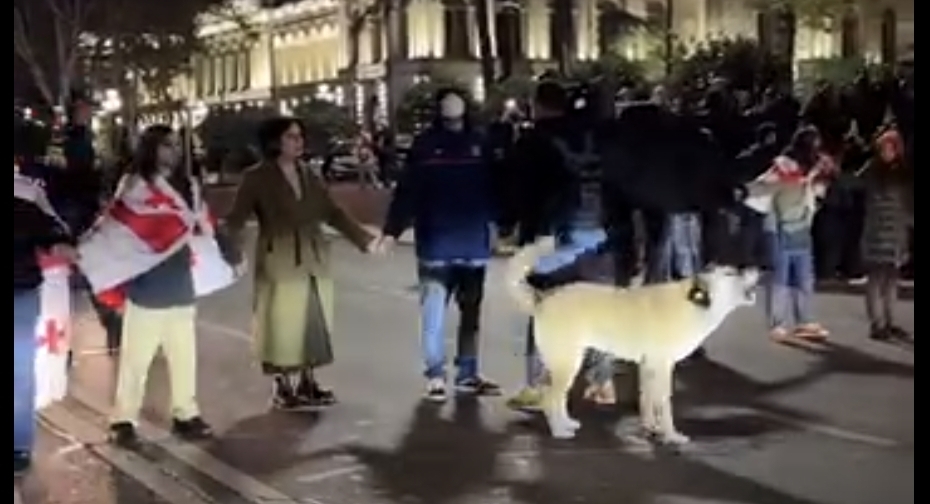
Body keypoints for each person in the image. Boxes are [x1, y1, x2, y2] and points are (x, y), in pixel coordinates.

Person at [224, 117, 377, 410]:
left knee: (313, 321)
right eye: (291, 137)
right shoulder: (257, 177)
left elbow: (332, 212)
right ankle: (282, 384)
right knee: (281, 324)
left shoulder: (309, 174)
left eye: (300, 136)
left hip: (313, 256)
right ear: (274, 142)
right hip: (279, 257)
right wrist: (227, 249)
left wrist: (363, 240)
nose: (299, 142)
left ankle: (308, 381)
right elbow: (237, 218)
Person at [379, 88, 501, 401]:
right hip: (453, 242)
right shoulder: (467, 144)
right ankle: (451, 372)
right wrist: (392, 229)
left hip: (452, 242)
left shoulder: (443, 145)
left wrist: (392, 230)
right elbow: (409, 191)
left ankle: (451, 373)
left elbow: (408, 191)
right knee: (448, 313)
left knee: (455, 312)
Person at [501, 81, 616, 410]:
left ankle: (539, 386)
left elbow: (518, 191)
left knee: (545, 311)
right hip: (597, 236)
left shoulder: (532, 142)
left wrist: (512, 226)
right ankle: (602, 382)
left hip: (551, 239)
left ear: (537, 105)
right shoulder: (594, 137)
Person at [107, 125, 213, 447]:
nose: (174, 151)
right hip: (146, 286)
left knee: (184, 357)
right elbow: (118, 230)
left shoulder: (187, 187)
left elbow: (203, 225)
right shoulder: (134, 186)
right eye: (167, 145)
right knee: (135, 361)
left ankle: (186, 413)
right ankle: (123, 419)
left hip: (180, 282)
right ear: (151, 148)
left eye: (176, 145)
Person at [15, 171, 76, 474]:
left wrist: (60, 244)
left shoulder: (24, 199)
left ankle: (18, 445)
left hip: (20, 294)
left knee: (20, 373)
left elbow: (52, 230)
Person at [750, 127, 832, 343]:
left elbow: (818, 193)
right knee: (780, 277)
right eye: (813, 144)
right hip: (779, 227)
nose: (816, 149)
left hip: (801, 227)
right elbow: (761, 186)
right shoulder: (783, 165)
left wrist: (819, 180)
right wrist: (791, 180)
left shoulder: (813, 168)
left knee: (804, 276)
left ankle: (804, 320)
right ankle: (777, 323)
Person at [855, 128, 912, 340]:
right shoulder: (872, 170)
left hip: (897, 230)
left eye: (891, 148)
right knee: (876, 277)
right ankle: (876, 323)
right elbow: (863, 191)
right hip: (877, 229)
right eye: (884, 148)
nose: (887, 152)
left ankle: (890, 321)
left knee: (892, 278)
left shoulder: (903, 172)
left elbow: (908, 202)